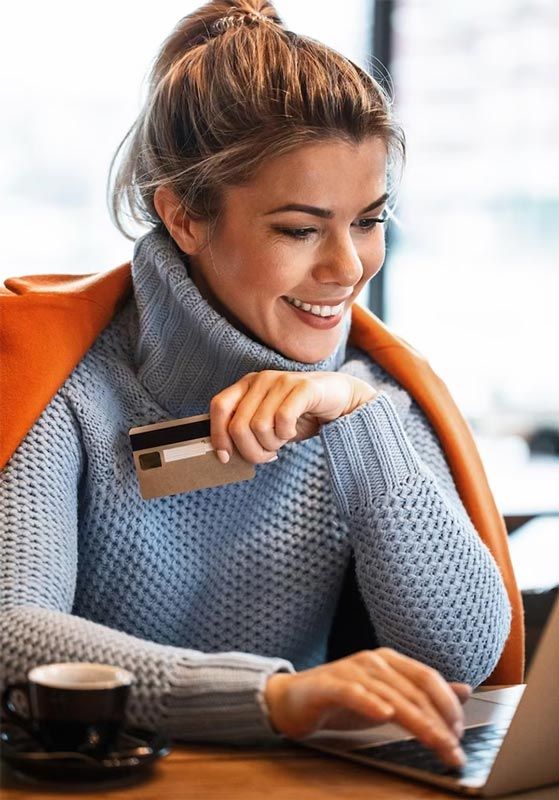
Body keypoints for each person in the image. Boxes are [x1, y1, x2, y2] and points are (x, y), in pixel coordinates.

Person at [0, 0, 512, 770]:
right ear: (184, 218)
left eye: (370, 220)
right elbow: (10, 630)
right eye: (300, 229)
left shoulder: (374, 401)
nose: (348, 268)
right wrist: (270, 699)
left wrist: (353, 414)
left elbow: (463, 656)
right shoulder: (65, 392)